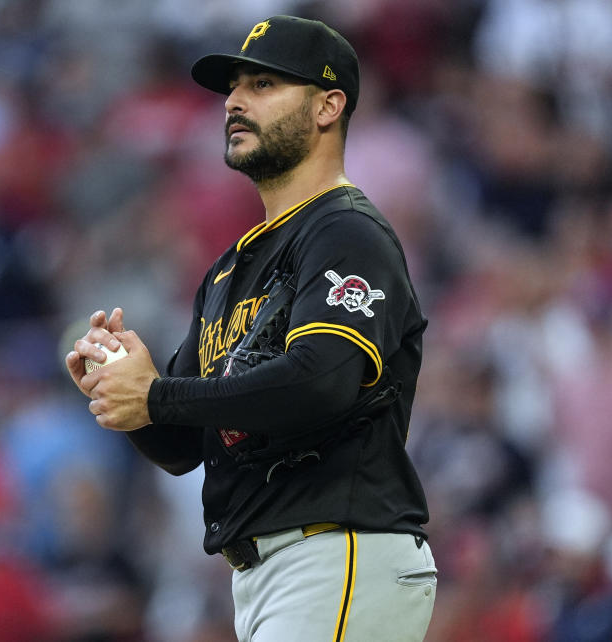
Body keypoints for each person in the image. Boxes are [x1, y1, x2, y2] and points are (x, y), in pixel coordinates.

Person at [65, 15, 436, 642]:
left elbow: (319, 382)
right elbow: (185, 446)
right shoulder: (228, 271)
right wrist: (122, 396)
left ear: (328, 106)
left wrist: (155, 394)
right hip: (273, 571)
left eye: (264, 84)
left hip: (338, 548)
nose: (234, 101)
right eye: (234, 87)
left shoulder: (345, 232)